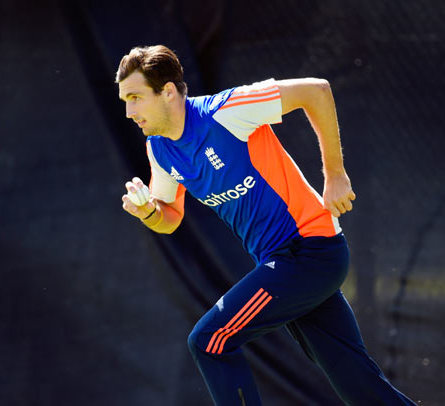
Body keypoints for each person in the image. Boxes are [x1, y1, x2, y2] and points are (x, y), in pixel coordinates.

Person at [117, 45, 415, 406]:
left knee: (209, 340)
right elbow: (170, 218)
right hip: (287, 263)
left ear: (167, 92)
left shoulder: (226, 111)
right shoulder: (160, 150)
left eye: (135, 98)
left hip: (309, 251)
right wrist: (147, 211)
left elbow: (316, 90)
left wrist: (335, 174)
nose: (129, 111)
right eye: (124, 100)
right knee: (358, 385)